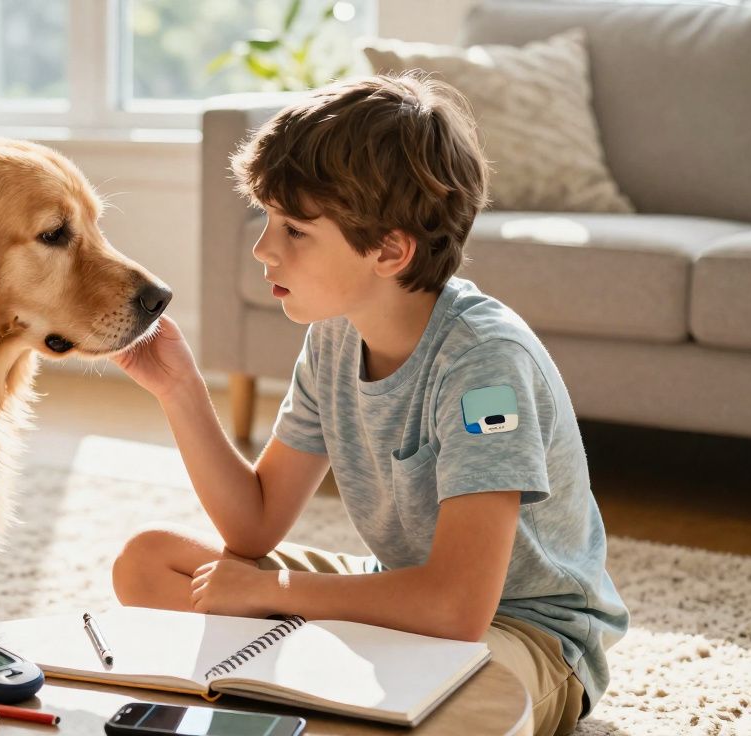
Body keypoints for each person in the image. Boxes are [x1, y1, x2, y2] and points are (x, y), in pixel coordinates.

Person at [109, 74, 627, 736]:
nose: (263, 248)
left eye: (295, 230)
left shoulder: (485, 367)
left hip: (524, 631)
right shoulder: (334, 335)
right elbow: (255, 526)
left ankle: (321, 690)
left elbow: (459, 607)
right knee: (148, 561)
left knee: (457, 711)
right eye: (266, 219)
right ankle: (330, 693)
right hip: (400, 598)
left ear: (389, 249)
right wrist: (179, 389)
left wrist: (271, 592)